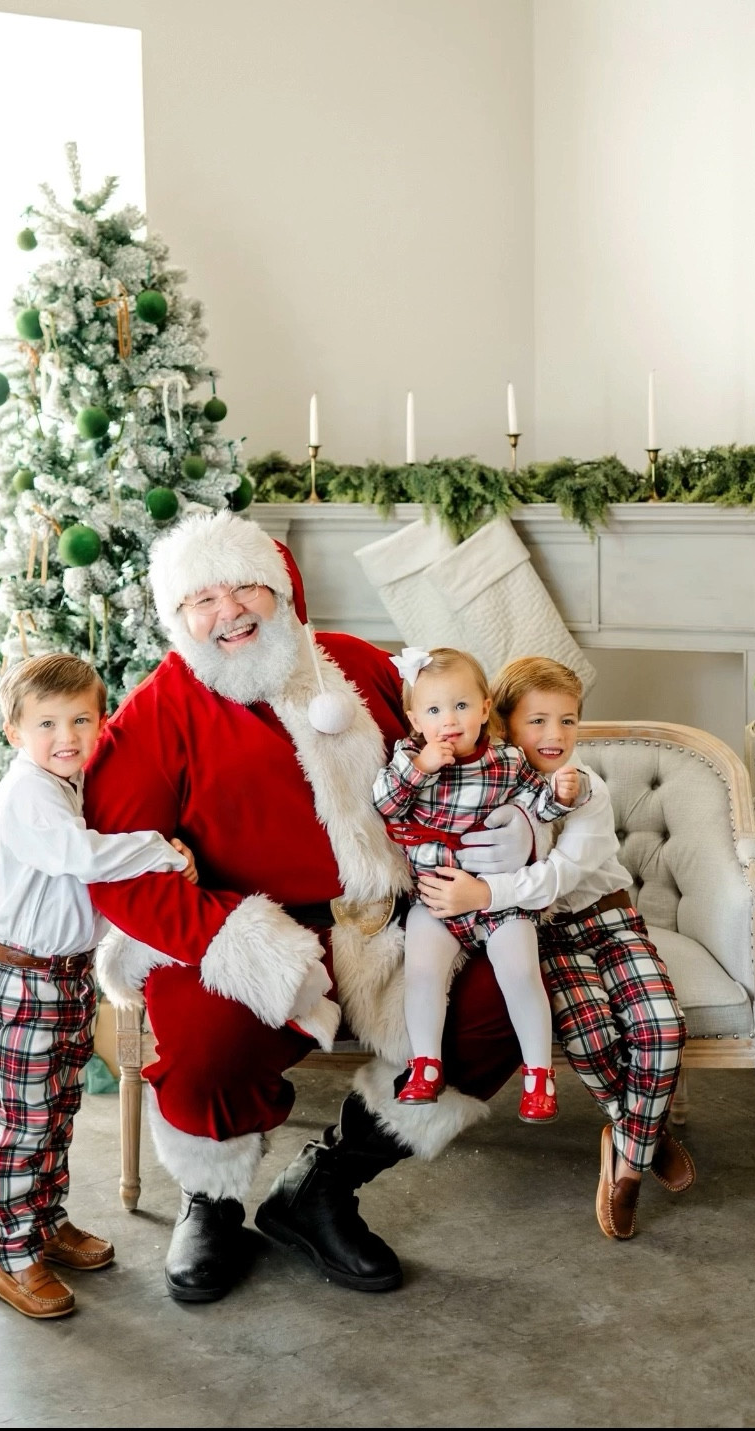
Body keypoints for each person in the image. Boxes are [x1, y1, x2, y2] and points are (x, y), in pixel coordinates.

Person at [82, 509, 538, 1304]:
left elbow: (471, 749)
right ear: (178, 619)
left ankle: (323, 1187)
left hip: (395, 921)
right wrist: (227, 938)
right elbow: (114, 865)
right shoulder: (157, 712)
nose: (229, 611)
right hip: (241, 927)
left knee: (503, 998)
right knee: (201, 1027)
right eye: (202, 599)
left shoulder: (358, 668)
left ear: (282, 588)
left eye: (245, 585)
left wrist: (515, 830)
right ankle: (212, 1199)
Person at [417, 655, 694, 1240]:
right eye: (537, 721)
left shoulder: (583, 786)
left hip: (610, 919)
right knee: (591, 1037)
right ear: (503, 724)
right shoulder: (482, 784)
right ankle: (644, 1134)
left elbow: (562, 876)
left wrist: (482, 893)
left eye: (567, 722)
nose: (555, 736)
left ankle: (626, 1164)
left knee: (661, 1027)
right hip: (547, 936)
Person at [0, 652, 196, 1319]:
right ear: (15, 730)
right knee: (26, 1123)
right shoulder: (29, 792)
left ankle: (46, 1224)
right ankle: (13, 1257)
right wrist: (160, 848)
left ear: (102, 722)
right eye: (47, 722)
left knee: (59, 1111)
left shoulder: (68, 783)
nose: (66, 735)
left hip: (67, 977)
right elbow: (77, 857)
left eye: (81, 719)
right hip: (26, 977)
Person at [373, 645, 583, 1120]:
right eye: (433, 709)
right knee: (423, 972)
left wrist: (562, 796)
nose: (449, 719)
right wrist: (422, 767)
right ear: (413, 720)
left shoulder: (507, 762)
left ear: (485, 709)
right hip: (437, 898)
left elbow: (536, 807)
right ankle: (425, 1063)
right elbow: (385, 805)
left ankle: (538, 1075)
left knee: (521, 972)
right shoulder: (410, 760)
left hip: (499, 898)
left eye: (462, 706)